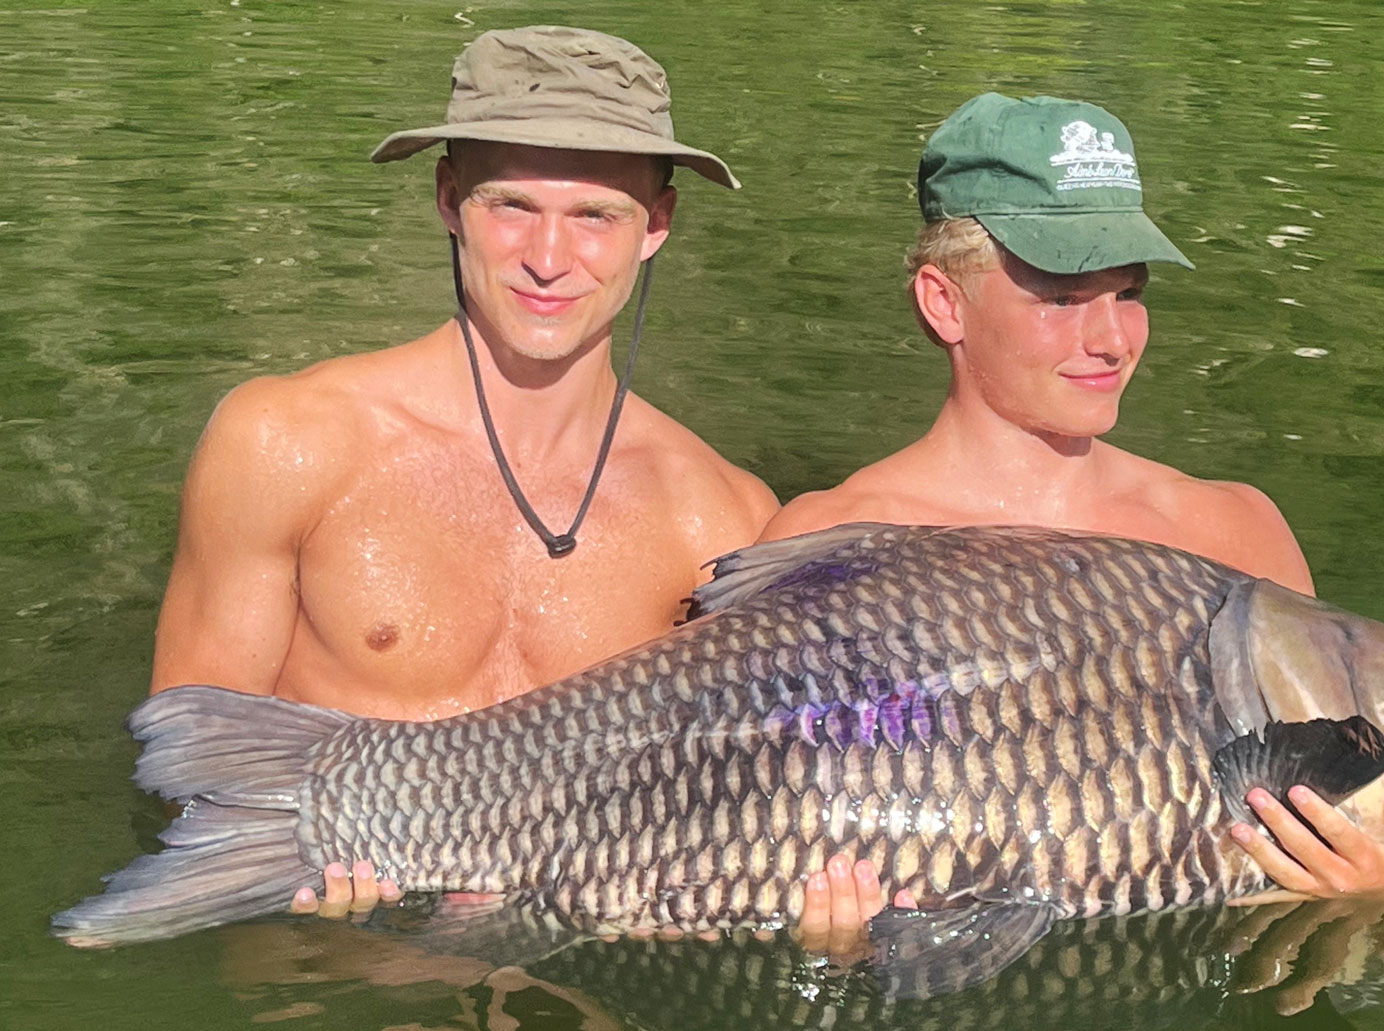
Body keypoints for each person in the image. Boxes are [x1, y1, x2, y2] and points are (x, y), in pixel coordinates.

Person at [150, 25, 881, 939]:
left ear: (656, 226)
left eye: (596, 216)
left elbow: (738, 814)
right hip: (322, 964)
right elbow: (188, 775)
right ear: (449, 199)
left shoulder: (724, 516)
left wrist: (830, 937)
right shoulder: (288, 442)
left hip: (585, 978)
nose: (548, 256)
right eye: (512, 206)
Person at [763, 93, 1384, 900]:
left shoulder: (1236, 531)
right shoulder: (830, 538)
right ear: (945, 302)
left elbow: (1321, 808)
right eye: (1062, 297)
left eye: (1129, 292)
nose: (1112, 339)